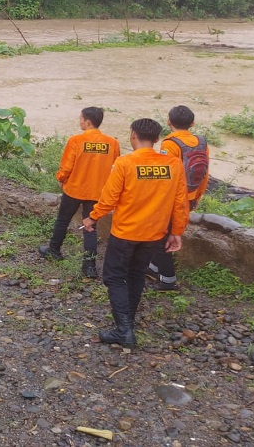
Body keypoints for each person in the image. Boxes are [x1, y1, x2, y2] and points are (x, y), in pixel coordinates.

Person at [83, 118, 190, 347]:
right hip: (154, 234)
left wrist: (92, 217)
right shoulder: (173, 164)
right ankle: (127, 322)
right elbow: (180, 202)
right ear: (157, 139)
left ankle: (123, 330)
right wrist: (176, 231)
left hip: (125, 233)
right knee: (136, 275)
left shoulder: (125, 163)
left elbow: (109, 199)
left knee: (114, 277)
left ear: (133, 135)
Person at [39, 107, 121, 278]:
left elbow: (66, 167)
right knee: (90, 227)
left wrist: (61, 178)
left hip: (74, 189)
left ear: (88, 122)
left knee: (63, 220)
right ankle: (89, 266)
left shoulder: (76, 140)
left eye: (81, 119)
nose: (80, 121)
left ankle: (54, 250)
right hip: (97, 192)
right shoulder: (112, 143)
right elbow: (116, 168)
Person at [147, 105, 210, 291]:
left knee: (160, 236)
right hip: (189, 196)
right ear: (192, 123)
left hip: (172, 199)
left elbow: (166, 175)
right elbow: (205, 174)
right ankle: (153, 267)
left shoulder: (170, 144)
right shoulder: (202, 142)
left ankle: (168, 279)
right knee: (166, 233)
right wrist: (197, 196)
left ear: (168, 121)